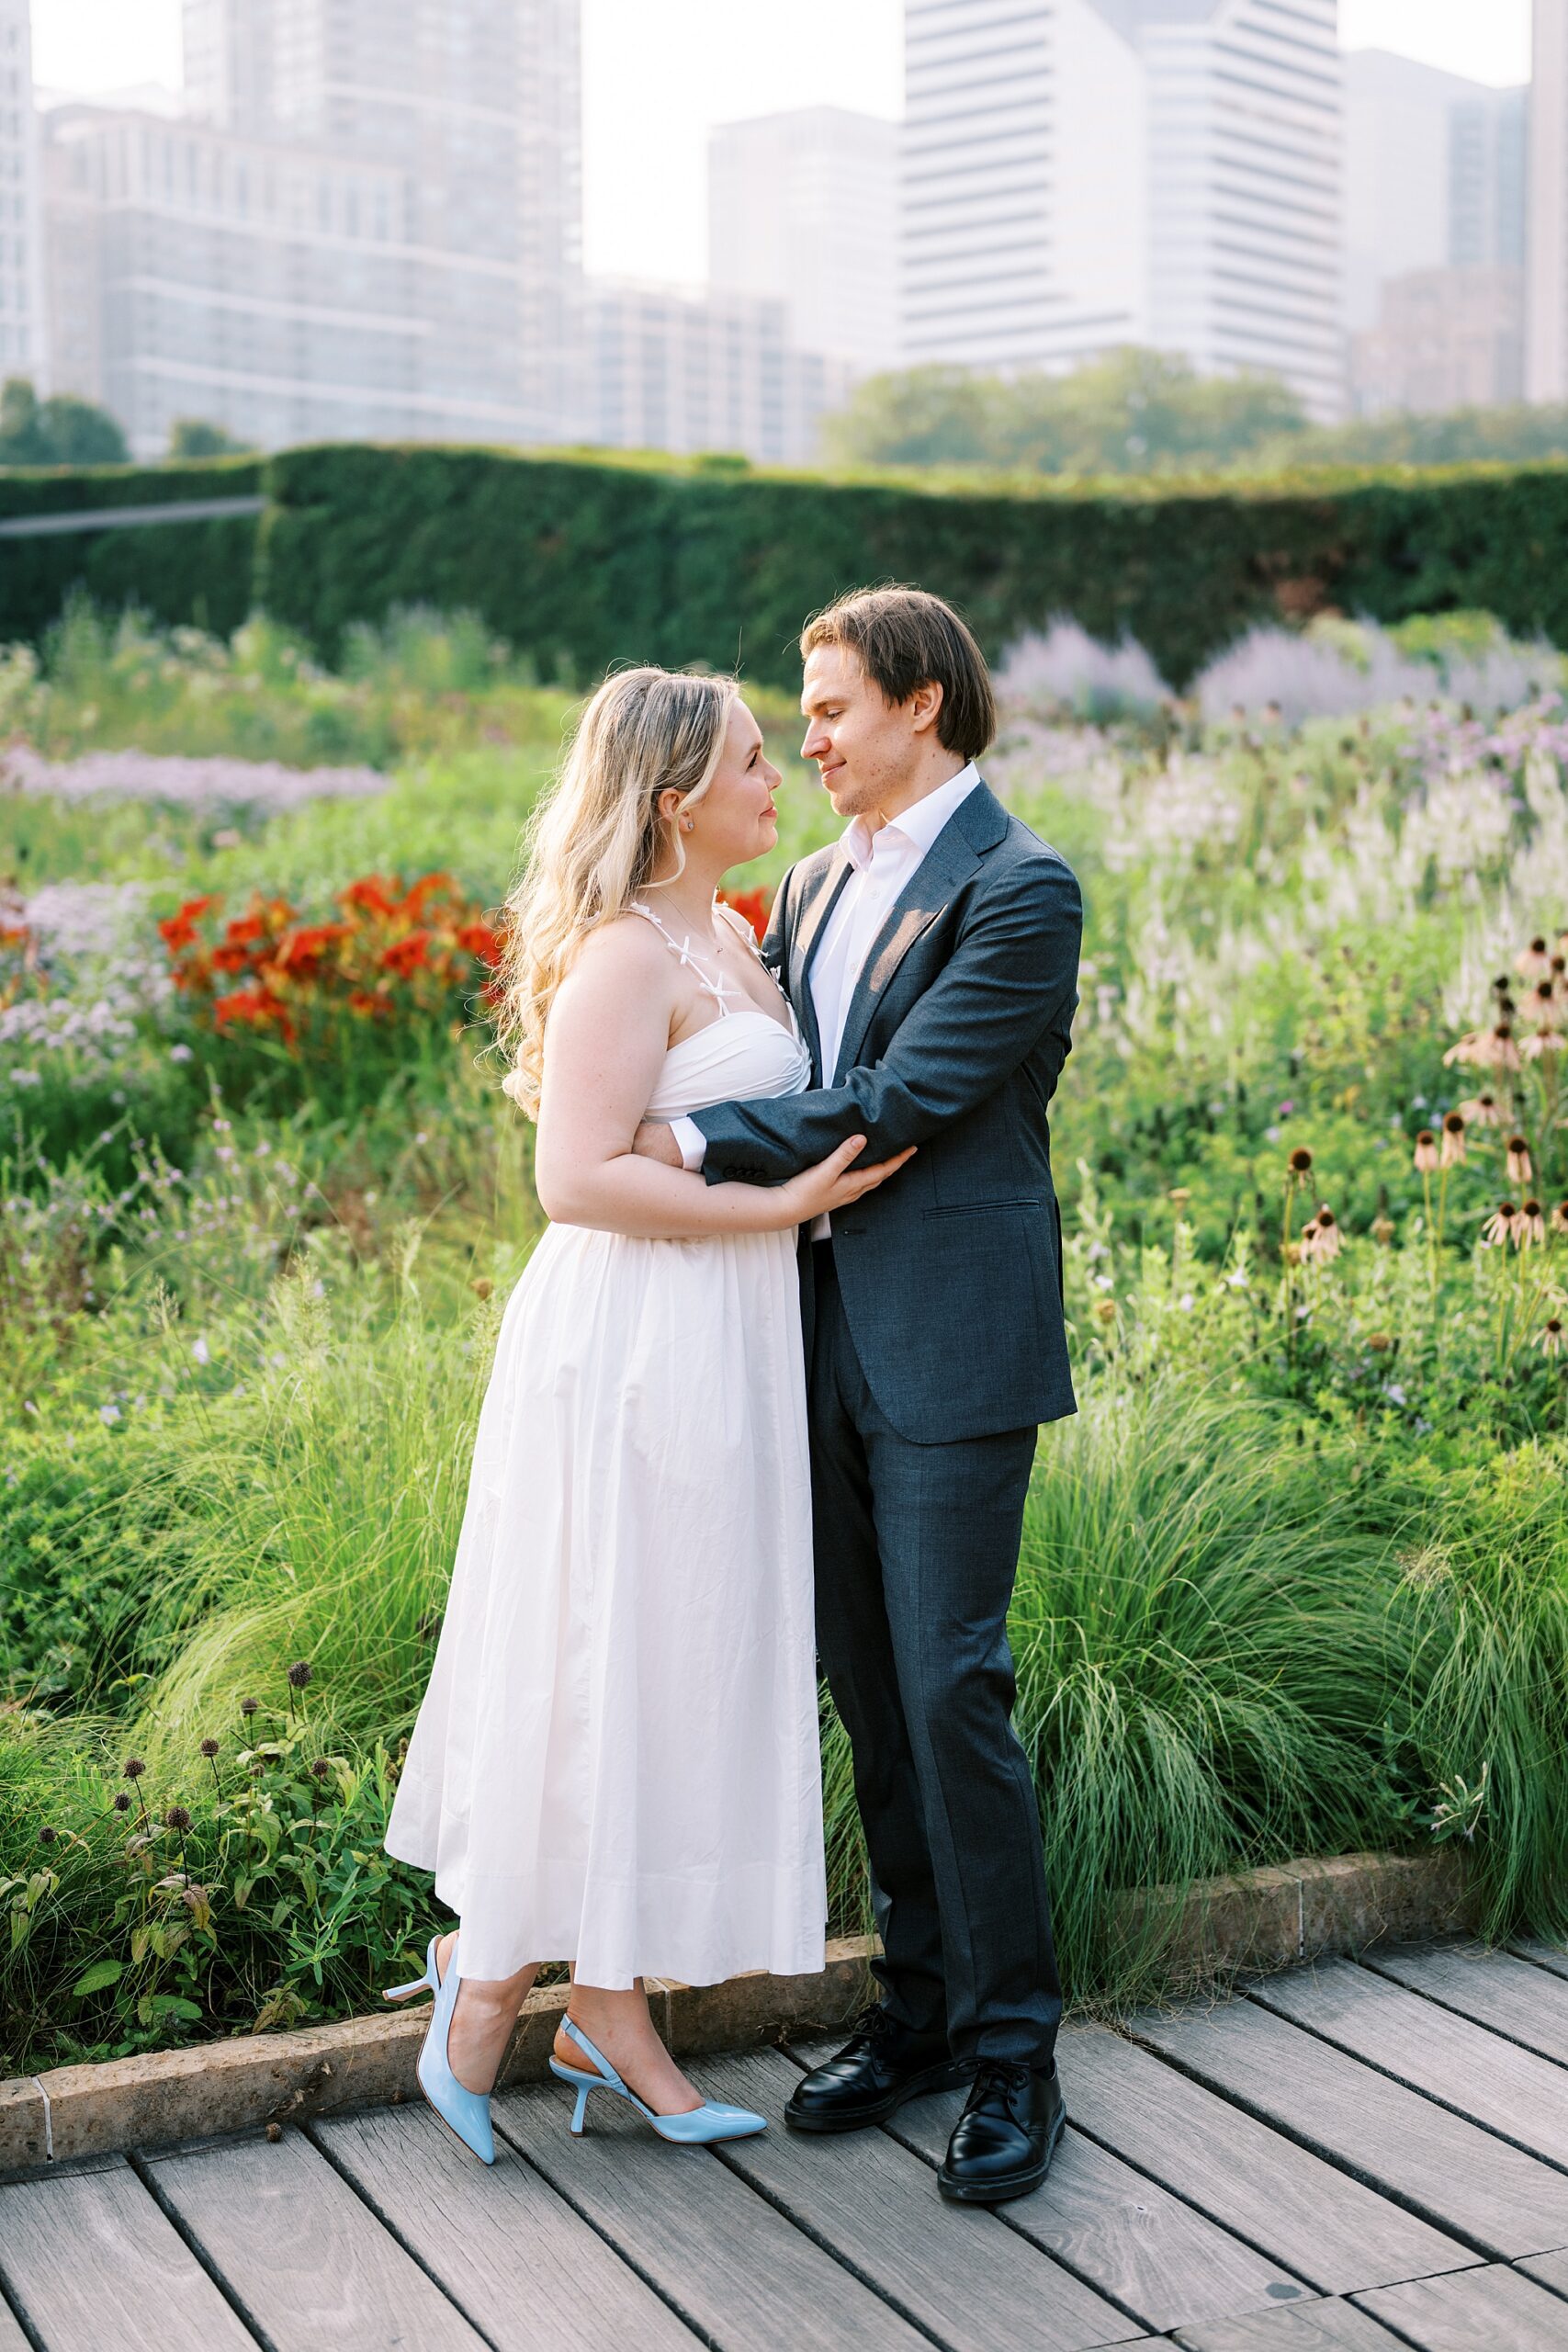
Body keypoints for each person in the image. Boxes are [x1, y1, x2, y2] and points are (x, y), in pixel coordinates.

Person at [380, 665, 911, 2164]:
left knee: (679, 1656)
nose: (780, 772)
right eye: (754, 756)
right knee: (601, 1647)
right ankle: (484, 1992)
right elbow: (574, 1179)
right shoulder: (625, 951)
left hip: (728, 1342)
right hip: (632, 1346)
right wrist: (788, 1202)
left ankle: (609, 2003)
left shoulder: (738, 940)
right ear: (677, 798)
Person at [634, 585, 1083, 2205]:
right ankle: (918, 2010)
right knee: (868, 1688)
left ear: (925, 708)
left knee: (954, 1682)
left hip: (952, 1340)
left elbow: (893, 1107)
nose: (806, 737)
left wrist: (672, 1145)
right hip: (793, 1336)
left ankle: (1018, 2055)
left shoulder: (1022, 890)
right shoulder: (810, 886)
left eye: (830, 710)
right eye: (806, 716)